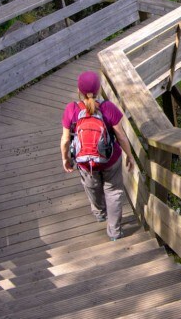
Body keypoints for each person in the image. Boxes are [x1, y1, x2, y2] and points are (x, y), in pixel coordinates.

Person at [60, 71, 134, 241]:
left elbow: (65, 140)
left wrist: (66, 158)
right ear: (99, 89)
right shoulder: (108, 108)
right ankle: (114, 232)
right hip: (110, 159)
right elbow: (121, 137)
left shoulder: (71, 109)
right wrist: (129, 155)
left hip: (86, 162)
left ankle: (100, 213)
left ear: (79, 90)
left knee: (92, 186)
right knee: (113, 192)